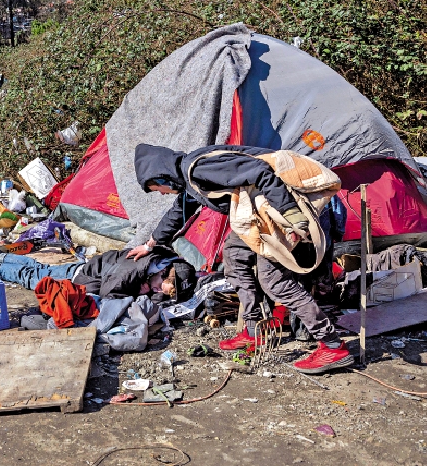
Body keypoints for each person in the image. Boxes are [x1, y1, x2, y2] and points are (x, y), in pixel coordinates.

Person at [131, 143, 354, 374]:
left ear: (161, 175)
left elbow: (260, 171)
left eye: (156, 187)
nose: (160, 193)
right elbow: (179, 211)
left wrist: (291, 215)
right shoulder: (190, 179)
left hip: (280, 211)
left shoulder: (199, 168)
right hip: (258, 213)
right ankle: (253, 330)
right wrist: (150, 244)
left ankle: (333, 345)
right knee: (234, 256)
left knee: (274, 282)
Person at [0, 244, 197, 302]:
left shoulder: (157, 260)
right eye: (161, 287)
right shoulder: (133, 272)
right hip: (79, 278)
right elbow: (108, 293)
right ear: (165, 272)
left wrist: (151, 290)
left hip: (86, 270)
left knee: (40, 269)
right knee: (32, 278)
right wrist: (138, 292)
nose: (157, 291)